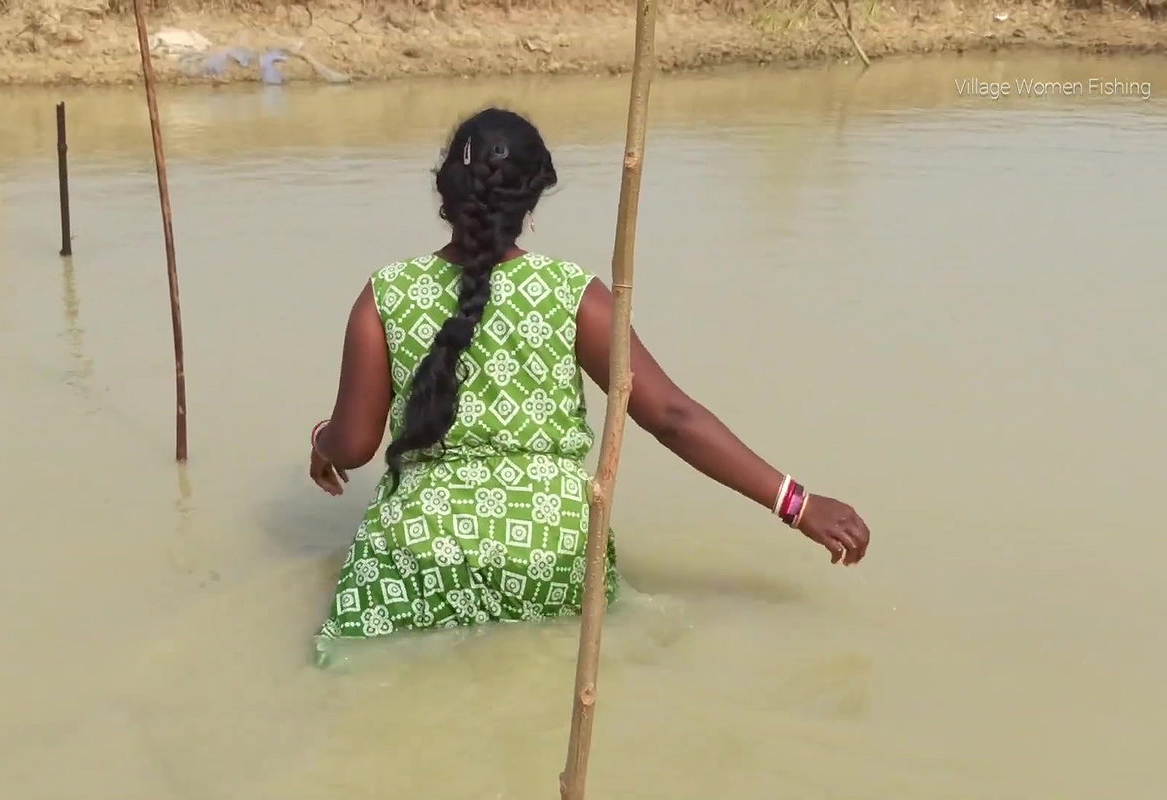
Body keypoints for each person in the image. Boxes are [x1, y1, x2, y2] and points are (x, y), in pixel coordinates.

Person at [307, 108, 869, 656]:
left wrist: (322, 441)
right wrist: (796, 504)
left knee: (359, 671)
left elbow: (353, 447)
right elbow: (672, 418)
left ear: (444, 189)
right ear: (533, 200)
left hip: (418, 552)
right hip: (549, 551)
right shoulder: (574, 294)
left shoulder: (385, 293)